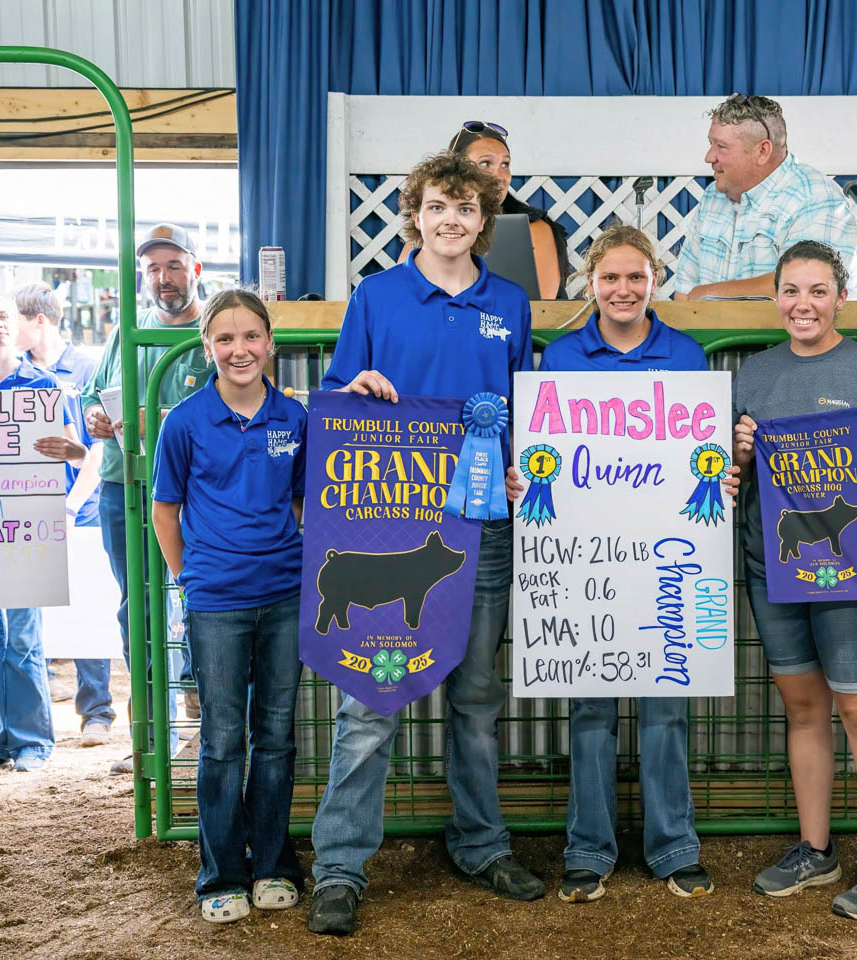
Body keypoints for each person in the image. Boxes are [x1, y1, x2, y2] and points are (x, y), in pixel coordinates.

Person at [307, 151, 537, 937]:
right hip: (387, 522)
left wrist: (520, 466)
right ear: (415, 214)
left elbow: (521, 411)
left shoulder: (509, 303)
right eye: (439, 205)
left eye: (467, 209)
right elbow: (337, 397)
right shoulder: (376, 296)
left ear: (484, 219)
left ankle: (481, 843)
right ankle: (341, 865)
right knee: (371, 700)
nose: (452, 220)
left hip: (483, 526)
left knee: (476, 696)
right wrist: (355, 389)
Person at [530, 224, 724, 902]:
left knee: (667, 704)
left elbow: (702, 457)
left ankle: (674, 847)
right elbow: (541, 454)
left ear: (654, 281)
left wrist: (720, 474)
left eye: (635, 276)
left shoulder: (687, 357)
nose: (622, 289)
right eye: (610, 277)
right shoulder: (559, 358)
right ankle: (588, 849)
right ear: (590, 283)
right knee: (591, 707)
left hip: (668, 554)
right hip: (587, 557)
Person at [731, 241, 857, 922]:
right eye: (791, 290)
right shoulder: (754, 373)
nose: (802, 304)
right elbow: (731, 476)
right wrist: (737, 455)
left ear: (841, 298)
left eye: (817, 291)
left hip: (854, 573)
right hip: (772, 566)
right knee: (804, 710)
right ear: (775, 297)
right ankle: (816, 850)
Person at [150, 289, 306, 924]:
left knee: (276, 737)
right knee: (220, 740)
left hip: (286, 595)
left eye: (250, 336)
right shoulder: (184, 422)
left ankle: (272, 864)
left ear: (270, 343)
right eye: (225, 338)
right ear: (207, 346)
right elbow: (165, 509)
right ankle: (221, 874)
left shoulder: (294, 417)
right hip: (216, 600)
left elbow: (301, 500)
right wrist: (189, 579)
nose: (239, 349)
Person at [81, 223, 213, 775]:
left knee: (201, 600)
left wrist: (155, 419)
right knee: (136, 607)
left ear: (196, 269)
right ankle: (151, 735)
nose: (163, 278)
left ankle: (205, 730)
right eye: (153, 269)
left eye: (174, 266)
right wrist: (95, 415)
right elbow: (93, 392)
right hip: (124, 485)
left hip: (195, 493)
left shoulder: (213, 332)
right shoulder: (126, 330)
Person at [0, 293, 87, 773]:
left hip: (28, 523)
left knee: (24, 637)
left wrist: (69, 451)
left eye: (3, 315)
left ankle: (31, 742)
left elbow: (81, 453)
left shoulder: (42, 384)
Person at [13, 282, 112, 748]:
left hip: (84, 507)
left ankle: (97, 711)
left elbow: (102, 444)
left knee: (90, 606)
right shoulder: (15, 373)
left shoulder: (88, 369)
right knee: (32, 605)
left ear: (39, 321)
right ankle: (37, 706)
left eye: (12, 320)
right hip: (31, 508)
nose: (5, 330)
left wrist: (72, 504)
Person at [673, 93, 857, 302]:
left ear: (762, 151)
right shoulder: (712, 196)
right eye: (711, 144)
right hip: (714, 325)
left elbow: (805, 285)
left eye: (721, 147)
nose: (709, 157)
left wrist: (705, 293)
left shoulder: (816, 197)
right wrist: (693, 303)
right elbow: (684, 291)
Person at [449, 120, 570, 299]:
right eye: (485, 164)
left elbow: (540, 308)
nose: (500, 177)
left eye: (505, 164)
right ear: (454, 171)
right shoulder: (434, 225)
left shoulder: (533, 228)